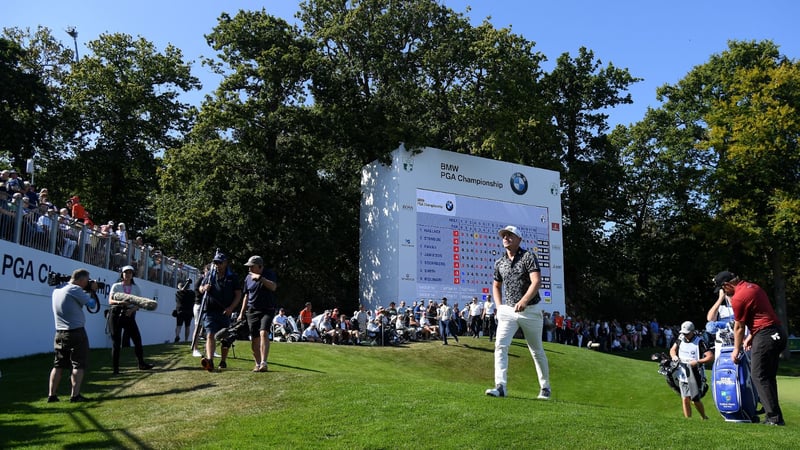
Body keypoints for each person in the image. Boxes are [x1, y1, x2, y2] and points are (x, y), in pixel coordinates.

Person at [486, 225, 550, 400]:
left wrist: (524, 300)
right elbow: (496, 285)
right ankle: (501, 387)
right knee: (500, 346)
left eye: (510, 235)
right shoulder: (499, 262)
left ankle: (545, 388)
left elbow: (536, 282)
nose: (506, 238)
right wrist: (499, 307)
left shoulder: (528, 256)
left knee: (536, 350)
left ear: (519, 239)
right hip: (508, 310)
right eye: (504, 235)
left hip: (530, 310)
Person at [716, 270, 787, 426]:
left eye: (722, 289)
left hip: (766, 336)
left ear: (727, 284)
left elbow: (739, 327)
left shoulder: (738, 297)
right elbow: (761, 316)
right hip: (778, 333)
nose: (723, 292)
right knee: (767, 377)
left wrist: (736, 350)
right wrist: (751, 337)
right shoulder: (753, 287)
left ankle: (773, 418)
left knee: (758, 376)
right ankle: (775, 417)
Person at [47, 268, 98, 403]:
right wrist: (92, 290)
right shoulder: (75, 290)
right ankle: (75, 395)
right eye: (86, 280)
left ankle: (52, 395)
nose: (87, 282)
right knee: (78, 365)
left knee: (58, 365)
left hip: (59, 332)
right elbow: (92, 304)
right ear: (81, 280)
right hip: (76, 332)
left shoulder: (58, 289)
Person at [197, 250, 242, 372]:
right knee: (210, 334)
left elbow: (238, 294)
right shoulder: (209, 275)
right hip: (210, 311)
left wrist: (231, 308)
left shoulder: (232, 278)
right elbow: (200, 288)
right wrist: (204, 288)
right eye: (216, 263)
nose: (218, 265)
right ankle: (210, 361)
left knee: (225, 337)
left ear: (225, 263)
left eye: (220, 263)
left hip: (225, 312)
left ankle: (223, 361)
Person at [108, 265, 154, 374]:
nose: (127, 275)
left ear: (133, 275)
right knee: (116, 342)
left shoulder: (136, 288)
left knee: (137, 340)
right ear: (122, 274)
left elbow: (140, 303)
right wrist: (121, 303)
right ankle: (116, 369)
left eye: (130, 273)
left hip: (129, 315)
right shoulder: (116, 286)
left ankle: (141, 364)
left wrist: (132, 310)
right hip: (116, 314)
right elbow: (110, 301)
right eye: (125, 272)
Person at [237, 255, 278, 372]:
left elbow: (273, 287)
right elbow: (246, 296)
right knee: (254, 338)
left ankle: (264, 362)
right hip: (252, 311)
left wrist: (260, 278)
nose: (249, 269)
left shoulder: (268, 274)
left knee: (263, 332)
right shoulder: (247, 278)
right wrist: (241, 313)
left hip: (267, 309)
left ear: (260, 267)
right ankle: (257, 363)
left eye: (251, 266)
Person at [669, 321, 711, 420]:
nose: (685, 335)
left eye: (687, 333)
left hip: (695, 373)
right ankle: (688, 420)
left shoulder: (700, 341)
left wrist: (697, 362)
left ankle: (704, 417)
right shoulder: (680, 338)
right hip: (682, 373)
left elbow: (710, 356)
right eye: (683, 333)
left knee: (695, 399)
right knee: (685, 398)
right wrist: (674, 356)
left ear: (692, 331)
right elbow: (672, 350)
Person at [174, 278, 195, 343]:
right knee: (187, 326)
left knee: (178, 325)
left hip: (180, 311)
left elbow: (182, 291)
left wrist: (187, 282)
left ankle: (177, 336)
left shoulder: (178, 293)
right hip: (189, 311)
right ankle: (186, 339)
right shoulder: (191, 293)